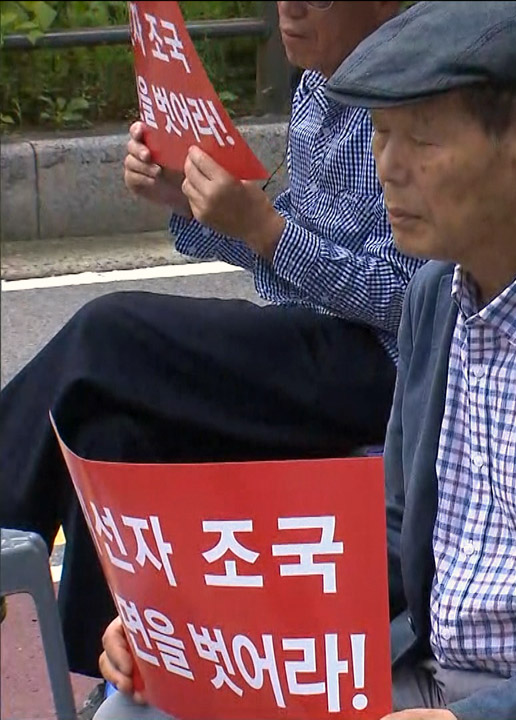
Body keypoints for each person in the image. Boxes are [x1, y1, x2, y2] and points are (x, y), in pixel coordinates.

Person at [94, 3, 516, 720]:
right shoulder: (435, 295)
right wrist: (195, 626)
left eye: (420, 140)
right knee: (142, 708)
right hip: (426, 671)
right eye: (380, 134)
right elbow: (392, 538)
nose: (388, 168)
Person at [0, 0, 418, 695]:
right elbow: (288, 260)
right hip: (306, 340)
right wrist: (192, 202)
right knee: (110, 432)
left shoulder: (416, 101)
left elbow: (411, 295)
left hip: (383, 368)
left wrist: (266, 229)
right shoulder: (318, 89)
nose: (289, 8)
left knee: (109, 337)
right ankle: (86, 679)